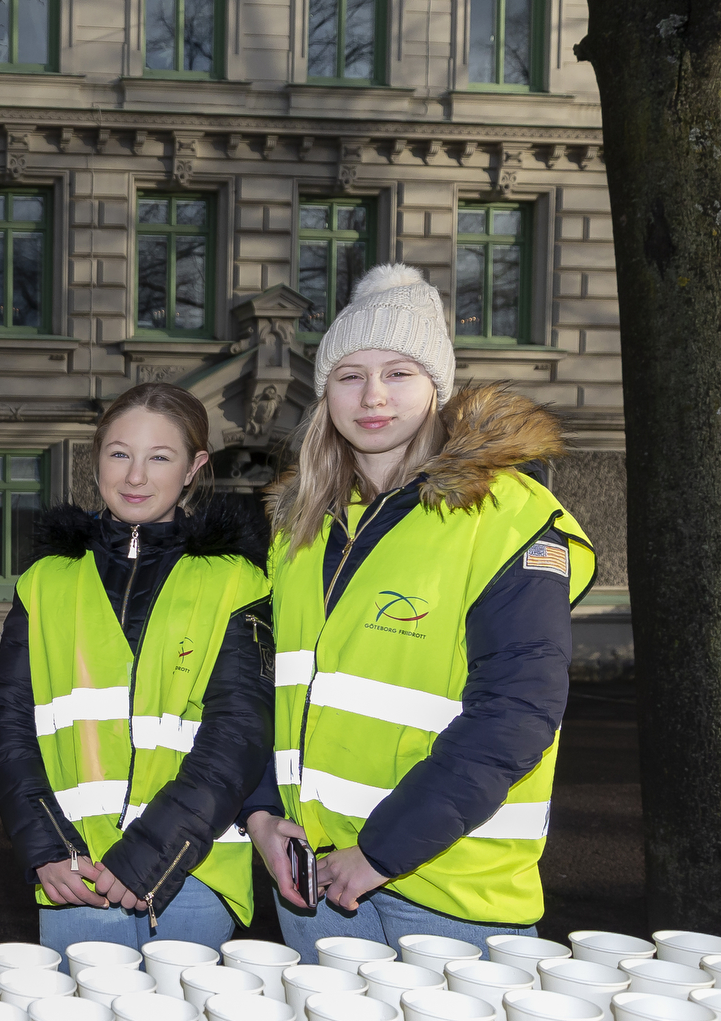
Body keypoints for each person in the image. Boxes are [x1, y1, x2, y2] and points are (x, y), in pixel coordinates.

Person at [242, 263, 595, 957]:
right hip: (315, 878)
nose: (373, 396)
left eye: (398, 373)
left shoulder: (508, 517)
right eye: (349, 375)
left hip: (451, 893)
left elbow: (517, 713)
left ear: (437, 387)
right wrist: (259, 810)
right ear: (325, 394)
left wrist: (381, 851)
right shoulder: (299, 530)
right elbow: (266, 689)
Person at [0, 382, 273, 961]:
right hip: (76, 871)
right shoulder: (45, 580)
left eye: (159, 457)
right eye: (119, 453)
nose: (135, 476)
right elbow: (8, 723)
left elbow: (239, 733)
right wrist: (46, 846)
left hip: (192, 871)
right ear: (96, 460)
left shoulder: (237, 580)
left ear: (194, 468)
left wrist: (151, 853)